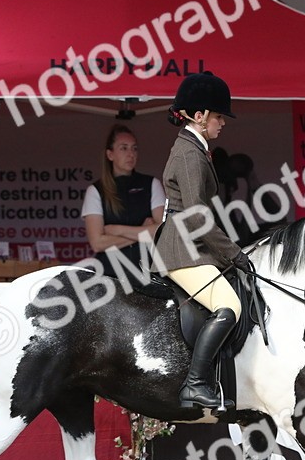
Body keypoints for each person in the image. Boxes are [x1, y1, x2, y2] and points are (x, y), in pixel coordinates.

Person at [154, 71, 252, 410]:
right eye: (218, 116)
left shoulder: (196, 148)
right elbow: (197, 216)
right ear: (199, 116)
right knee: (230, 307)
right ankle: (195, 384)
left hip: (190, 244)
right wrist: (234, 254)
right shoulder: (189, 154)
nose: (222, 123)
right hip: (181, 248)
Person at [82, 124, 165, 285]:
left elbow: (161, 232)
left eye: (134, 149)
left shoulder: (151, 184)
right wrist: (143, 232)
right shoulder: (96, 190)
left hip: (148, 273)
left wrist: (117, 230)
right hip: (109, 276)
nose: (131, 154)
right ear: (110, 154)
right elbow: (97, 243)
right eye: (124, 148)